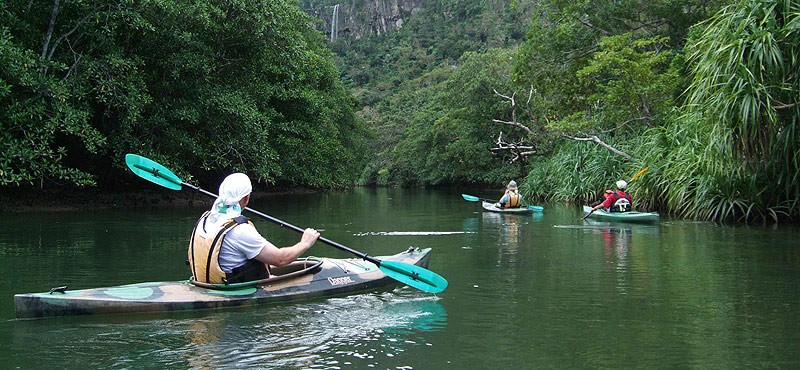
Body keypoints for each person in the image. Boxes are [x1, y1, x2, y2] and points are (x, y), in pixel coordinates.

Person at [188, 173, 320, 284]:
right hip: (233, 288)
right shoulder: (240, 231)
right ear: (246, 198)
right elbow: (280, 259)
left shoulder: (205, 219)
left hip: (206, 283)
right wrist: (305, 243)